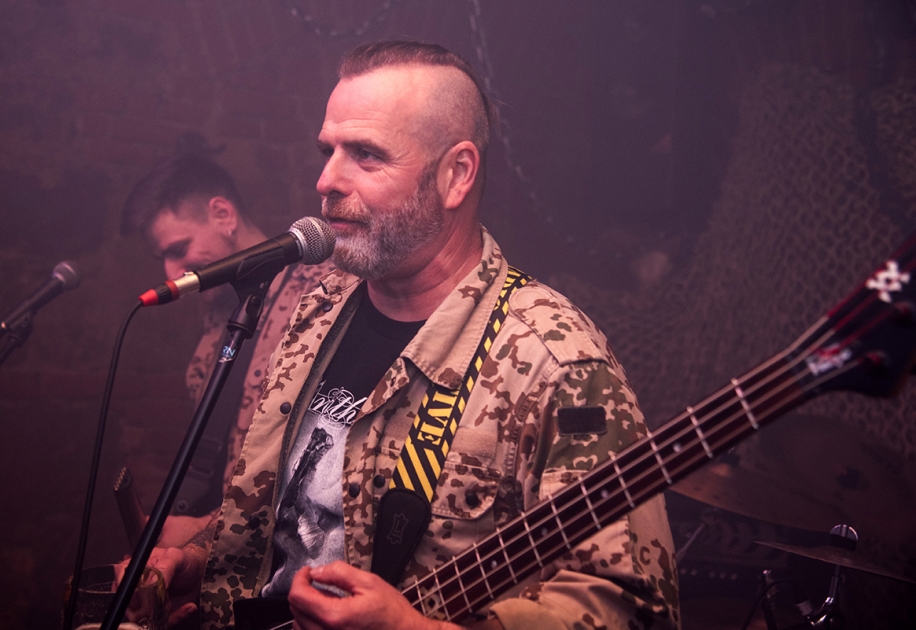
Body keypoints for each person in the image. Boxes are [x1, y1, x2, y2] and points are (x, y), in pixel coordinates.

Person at [137, 42, 681, 630]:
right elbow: (292, 515)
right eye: (328, 151)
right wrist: (200, 561)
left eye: (366, 155)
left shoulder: (554, 359)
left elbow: (630, 609)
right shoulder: (320, 308)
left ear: (456, 175)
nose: (326, 180)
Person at [121, 150, 332, 547]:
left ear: (223, 215)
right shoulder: (221, 307)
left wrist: (203, 533)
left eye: (178, 249)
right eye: (163, 257)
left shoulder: (320, 293)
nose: (170, 272)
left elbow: (311, 473)